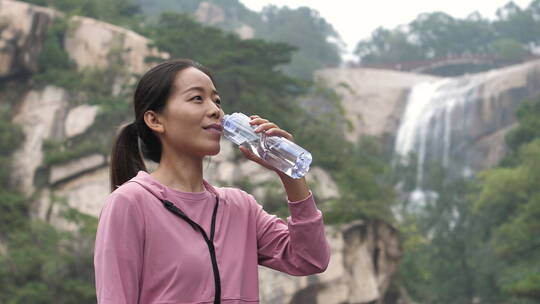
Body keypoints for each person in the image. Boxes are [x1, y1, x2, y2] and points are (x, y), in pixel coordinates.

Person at [94, 59, 331, 304]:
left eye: (216, 101)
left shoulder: (240, 207)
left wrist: (289, 171)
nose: (215, 110)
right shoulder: (131, 203)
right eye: (197, 98)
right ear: (155, 120)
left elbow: (310, 259)